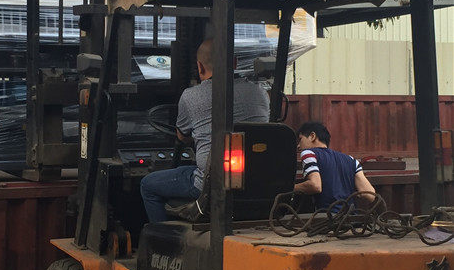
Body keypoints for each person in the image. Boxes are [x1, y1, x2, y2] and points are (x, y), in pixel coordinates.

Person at [140, 39, 270, 222]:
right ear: (234, 63)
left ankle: (163, 237)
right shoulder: (260, 93)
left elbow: (182, 137)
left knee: (148, 185)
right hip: (256, 179)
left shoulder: (190, 96)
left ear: (200, 67)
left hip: (210, 183)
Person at [295, 121, 375, 209]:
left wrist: (288, 188)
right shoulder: (352, 160)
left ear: (312, 136)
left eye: (300, 139)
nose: (298, 146)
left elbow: (315, 186)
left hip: (326, 215)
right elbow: (370, 195)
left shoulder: (308, 153)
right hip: (350, 215)